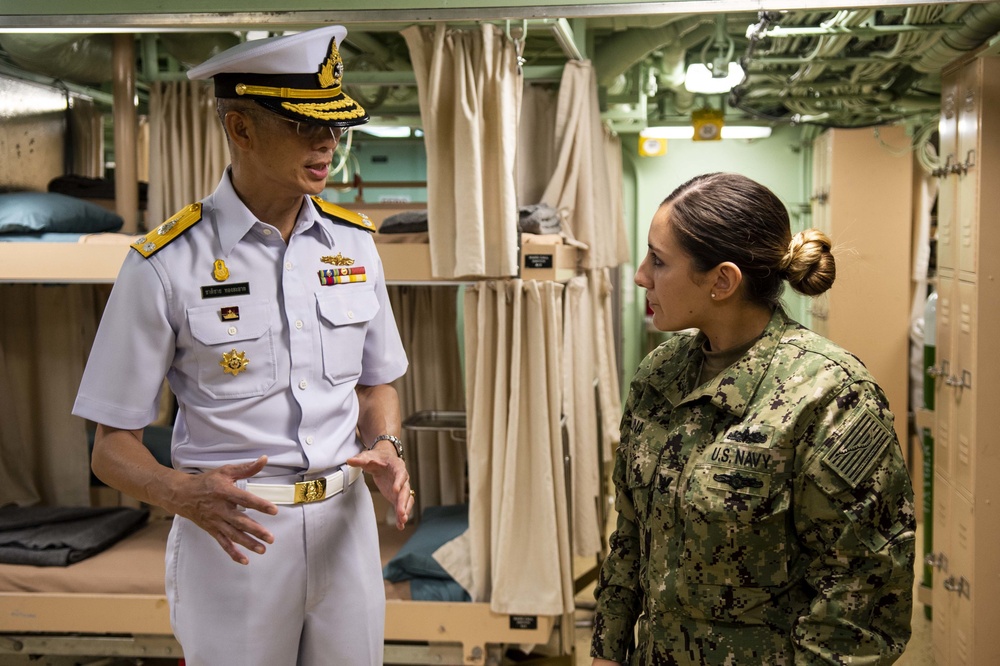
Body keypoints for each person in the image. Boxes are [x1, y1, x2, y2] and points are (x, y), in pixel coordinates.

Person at [72, 25, 412, 666]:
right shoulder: (164, 264)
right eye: (304, 123)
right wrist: (179, 492)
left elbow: (375, 385)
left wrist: (387, 444)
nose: (326, 141)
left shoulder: (355, 246)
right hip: (236, 536)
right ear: (241, 127)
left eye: (334, 125)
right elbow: (110, 448)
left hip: (346, 528)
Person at [591, 172, 915, 665]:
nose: (640, 275)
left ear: (722, 280)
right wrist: (607, 651)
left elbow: (861, 592)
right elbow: (630, 537)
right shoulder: (661, 374)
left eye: (658, 260)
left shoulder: (831, 396)